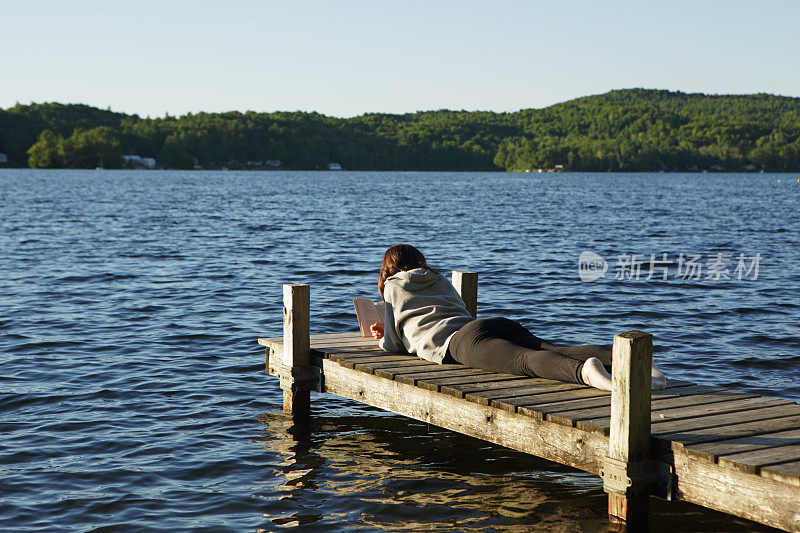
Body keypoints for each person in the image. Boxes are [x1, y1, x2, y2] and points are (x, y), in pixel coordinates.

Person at [369, 244, 667, 391]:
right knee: (550, 347)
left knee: (524, 361)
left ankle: (585, 373)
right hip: (484, 325)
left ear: (388, 269)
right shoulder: (439, 278)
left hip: (456, 342)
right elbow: (458, 312)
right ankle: (637, 362)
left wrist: (382, 336)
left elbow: (395, 345)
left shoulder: (393, 286)